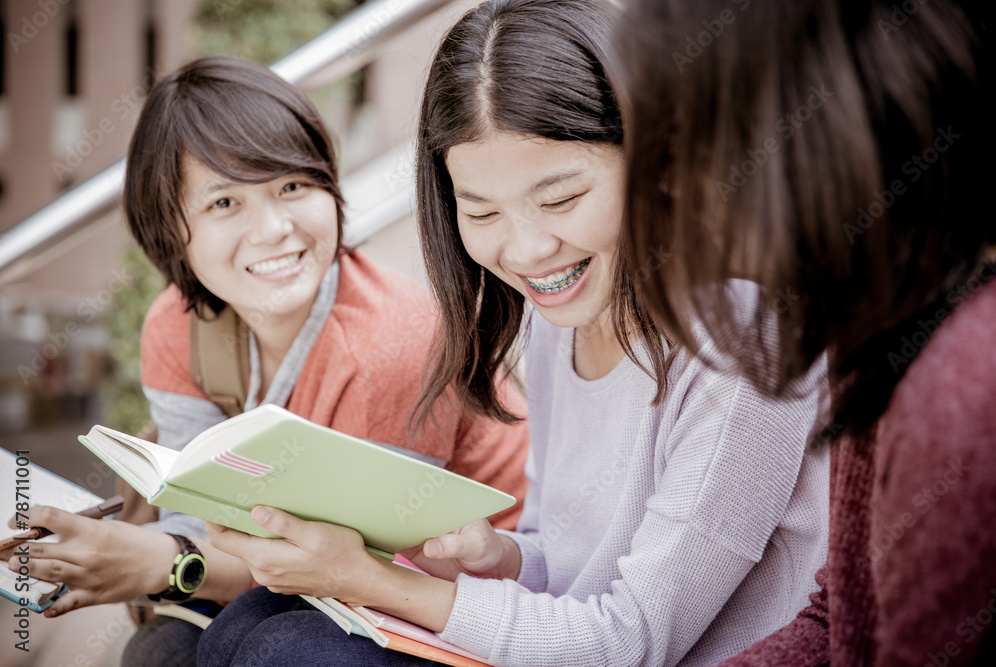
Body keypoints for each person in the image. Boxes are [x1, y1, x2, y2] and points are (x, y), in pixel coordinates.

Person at [196, 2, 829, 665]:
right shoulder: (564, 318)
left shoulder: (743, 351)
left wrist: (372, 581)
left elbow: (629, 640)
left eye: (561, 200)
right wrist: (500, 557)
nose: (528, 250)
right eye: (482, 213)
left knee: (292, 649)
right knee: (249, 622)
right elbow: (575, 563)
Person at [3, 54, 530, 667]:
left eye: (292, 187)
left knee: (271, 652)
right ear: (171, 231)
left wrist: (167, 562)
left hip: (466, 599)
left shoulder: (397, 341)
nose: (275, 228)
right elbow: (190, 514)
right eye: (225, 203)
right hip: (310, 584)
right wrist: (124, 549)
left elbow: (358, 567)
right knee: (161, 651)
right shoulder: (178, 325)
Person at [614, 0, 996, 664]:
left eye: (684, 146)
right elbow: (843, 617)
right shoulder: (876, 325)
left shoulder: (962, 389)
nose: (670, 188)